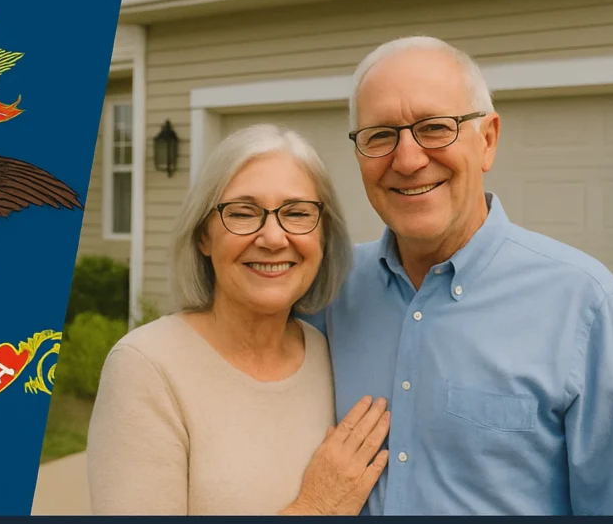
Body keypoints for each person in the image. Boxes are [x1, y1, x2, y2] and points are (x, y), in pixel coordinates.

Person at [302, 35, 613, 515]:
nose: (409, 159)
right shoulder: (328, 289)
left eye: (435, 128)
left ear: (488, 140)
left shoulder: (586, 306)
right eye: (380, 135)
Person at [85, 124, 391, 515]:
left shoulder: (327, 352)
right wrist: (316, 508)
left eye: (297, 213)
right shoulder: (146, 367)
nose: (273, 238)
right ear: (204, 236)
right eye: (243, 213)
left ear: (323, 236)